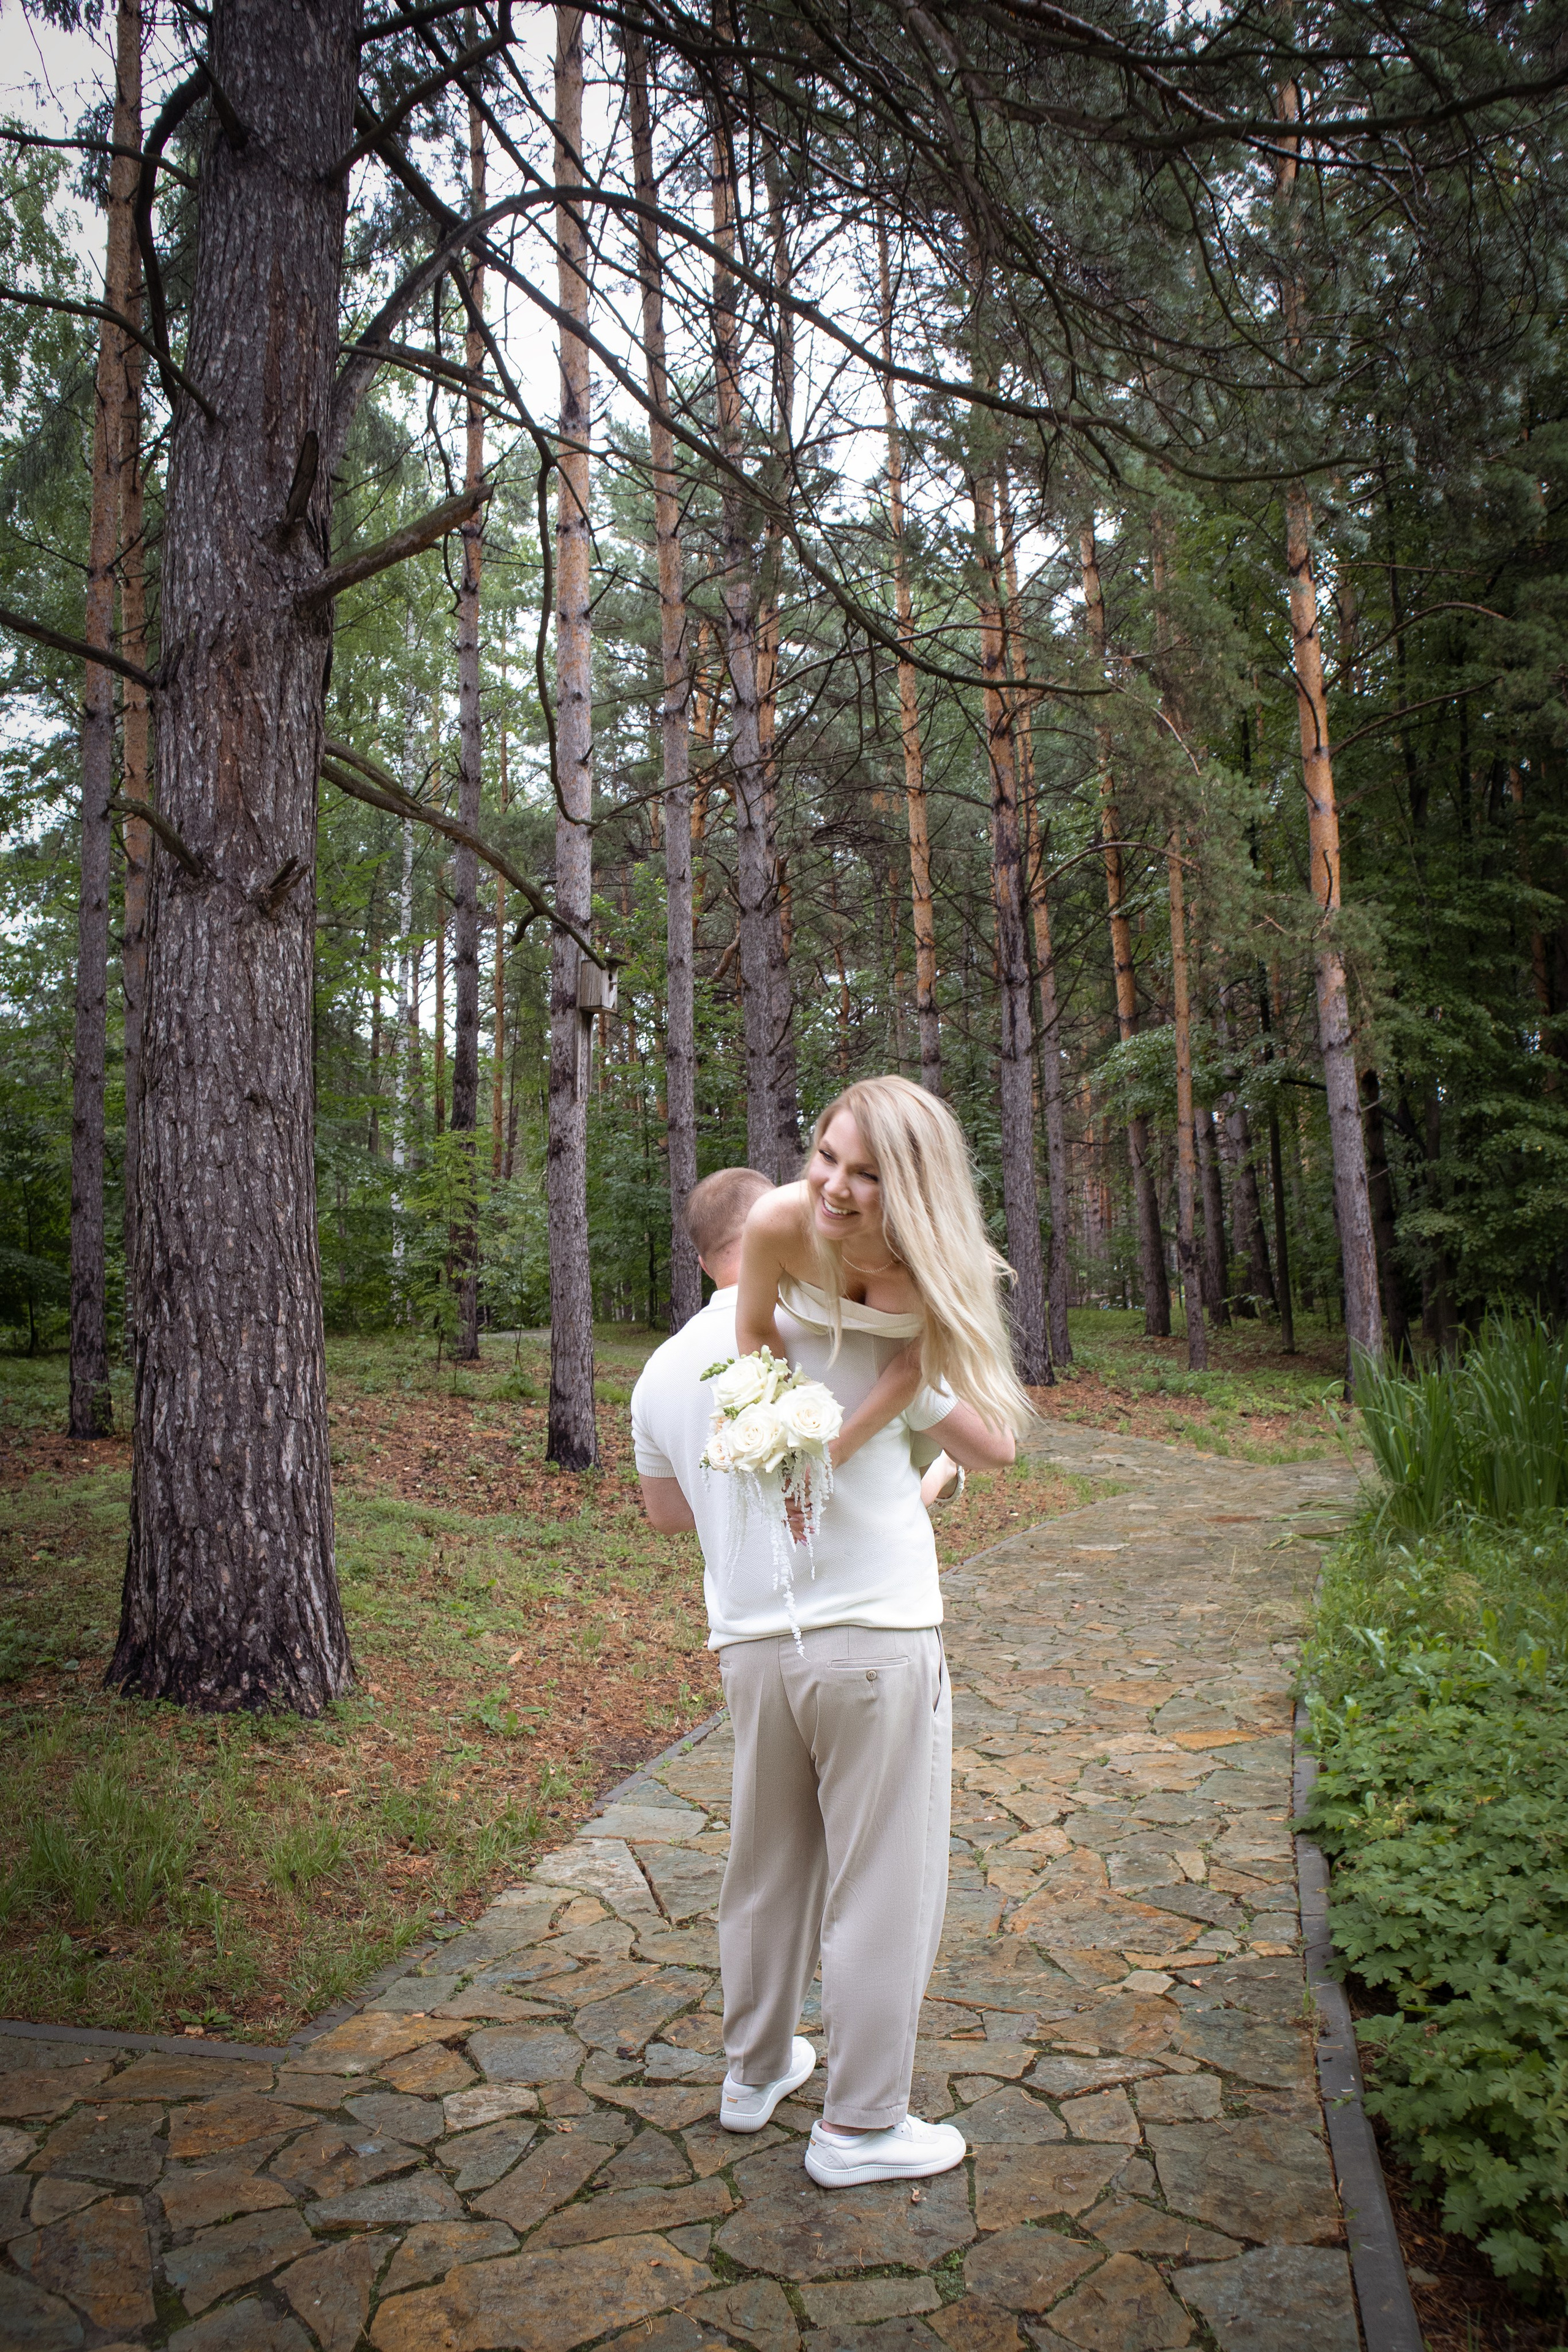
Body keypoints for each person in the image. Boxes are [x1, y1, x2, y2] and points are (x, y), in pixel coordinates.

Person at [630, 1079, 1032, 2190]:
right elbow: (984, 1439)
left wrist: (828, 1452)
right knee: (883, 1882)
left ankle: (754, 2074)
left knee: (765, 1869)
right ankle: (860, 2127)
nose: (836, 1186)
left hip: (755, 1639)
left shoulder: (673, 1363)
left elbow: (671, 1511)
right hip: (873, 1632)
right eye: (825, 1158)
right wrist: (798, 1435)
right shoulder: (796, 1264)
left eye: (864, 1171)